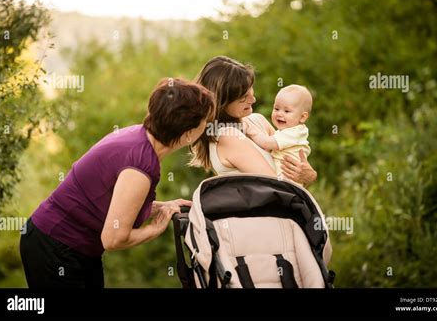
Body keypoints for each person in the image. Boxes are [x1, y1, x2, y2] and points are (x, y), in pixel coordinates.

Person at [20, 78, 214, 288]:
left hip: (73, 248)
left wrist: (161, 207)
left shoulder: (139, 136)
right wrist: (155, 229)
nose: (207, 126)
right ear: (188, 134)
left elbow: (115, 208)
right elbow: (113, 239)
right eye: (205, 121)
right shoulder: (140, 167)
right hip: (55, 247)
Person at [190, 56, 317, 186]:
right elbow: (279, 187)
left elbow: (290, 160)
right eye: (244, 97)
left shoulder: (257, 120)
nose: (253, 100)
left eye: (251, 90)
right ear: (222, 102)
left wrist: (310, 176)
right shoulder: (227, 137)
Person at [245, 84, 313, 183]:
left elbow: (266, 143)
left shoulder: (294, 133)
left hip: (287, 180)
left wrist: (250, 130)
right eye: (276, 109)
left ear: (302, 117)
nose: (279, 114)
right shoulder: (286, 132)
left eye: (287, 111)